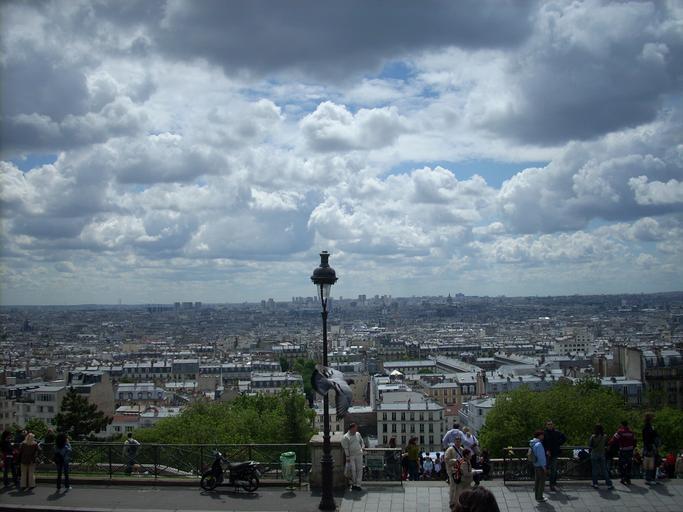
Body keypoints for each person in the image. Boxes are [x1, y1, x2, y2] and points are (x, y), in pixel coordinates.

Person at [542, 419, 567, 491]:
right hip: (546, 454)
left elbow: (564, 438)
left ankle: (552, 484)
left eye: (551, 424)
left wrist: (558, 444)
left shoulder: (557, 432)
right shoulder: (544, 433)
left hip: (554, 453)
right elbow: (542, 443)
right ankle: (542, 484)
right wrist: (546, 450)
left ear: (553, 425)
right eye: (548, 424)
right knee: (544, 470)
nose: (550, 425)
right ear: (546, 425)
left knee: (553, 470)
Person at [588, 423, 613, 489]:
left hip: (594, 454)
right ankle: (608, 483)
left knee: (594, 469)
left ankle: (595, 483)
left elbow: (590, 445)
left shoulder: (593, 436)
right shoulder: (605, 436)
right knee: (604, 469)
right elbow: (608, 444)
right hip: (602, 454)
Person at [341, 423, 365, 490]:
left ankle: (358, 484)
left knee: (359, 469)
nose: (356, 430)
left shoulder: (358, 434)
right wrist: (347, 457)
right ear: (351, 429)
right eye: (355, 428)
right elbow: (346, 448)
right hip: (351, 455)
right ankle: (354, 483)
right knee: (353, 470)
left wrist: (362, 447)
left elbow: (361, 441)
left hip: (359, 454)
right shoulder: (346, 437)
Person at [611, 420, 635, 486]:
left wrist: (609, 444)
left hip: (623, 450)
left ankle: (623, 478)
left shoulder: (620, 432)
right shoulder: (631, 432)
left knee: (621, 464)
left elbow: (614, 439)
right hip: (630, 450)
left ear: (622, 425)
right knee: (629, 464)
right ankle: (628, 478)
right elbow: (634, 440)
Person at [530, 430, 548, 503]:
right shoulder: (539, 444)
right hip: (540, 466)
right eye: (542, 435)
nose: (543, 436)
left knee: (537, 481)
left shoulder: (533, 443)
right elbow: (541, 457)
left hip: (535, 464)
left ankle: (537, 496)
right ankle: (540, 497)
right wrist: (544, 467)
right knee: (541, 482)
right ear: (539, 436)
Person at [642, 413, 660, 486]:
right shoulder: (648, 428)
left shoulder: (647, 427)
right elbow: (648, 438)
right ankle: (649, 479)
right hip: (650, 447)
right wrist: (650, 447)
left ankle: (649, 478)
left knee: (649, 463)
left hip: (648, 447)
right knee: (650, 463)